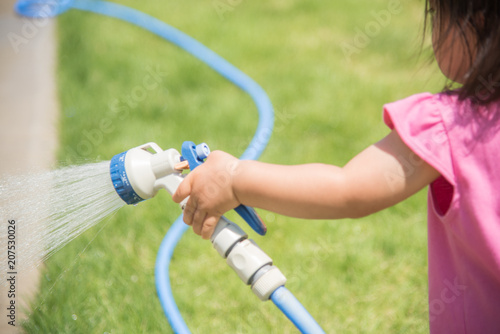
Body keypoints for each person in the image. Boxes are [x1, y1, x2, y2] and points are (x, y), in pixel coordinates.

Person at [173, 1, 500, 332]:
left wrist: (234, 179)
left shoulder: (452, 127)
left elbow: (347, 190)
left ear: (479, 20)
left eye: (435, 14)